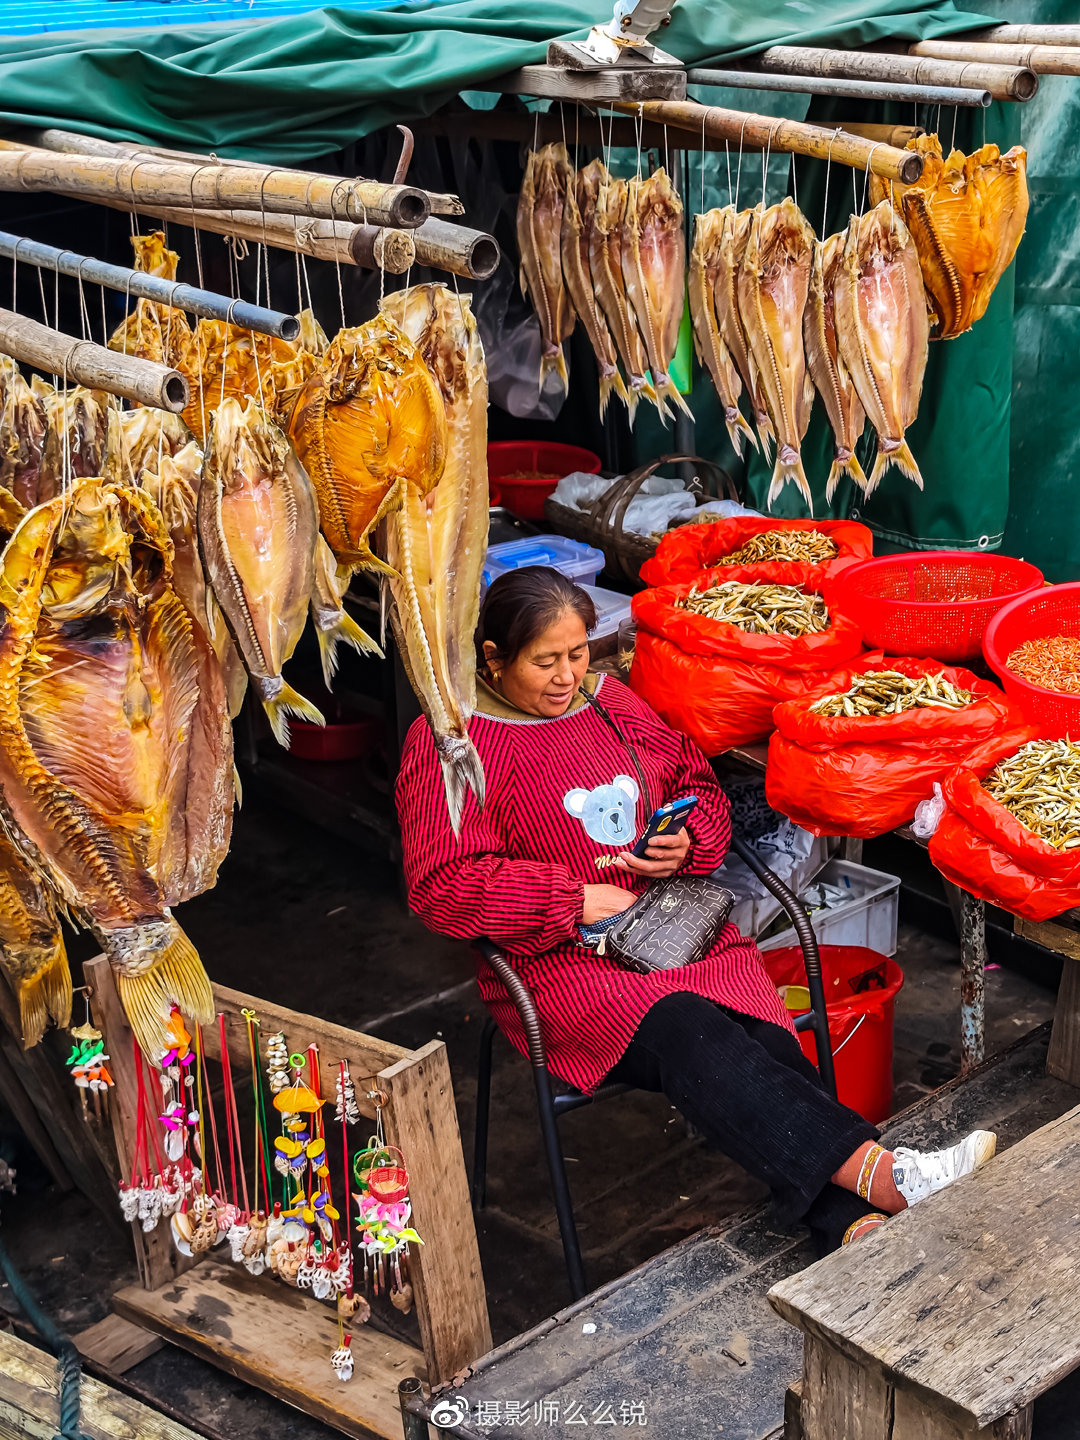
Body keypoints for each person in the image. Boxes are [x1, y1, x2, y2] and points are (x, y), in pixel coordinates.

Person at [396, 566, 996, 1251]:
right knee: (686, 1028)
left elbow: (698, 786)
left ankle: (849, 1225)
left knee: (760, 1036)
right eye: (545, 662)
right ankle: (884, 1174)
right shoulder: (451, 747)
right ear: (493, 659)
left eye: (577, 653)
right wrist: (570, 898)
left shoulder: (611, 704)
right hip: (563, 967)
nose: (568, 676)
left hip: (673, 930)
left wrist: (683, 844)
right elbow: (440, 885)